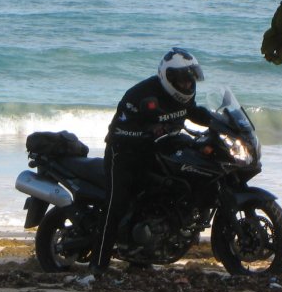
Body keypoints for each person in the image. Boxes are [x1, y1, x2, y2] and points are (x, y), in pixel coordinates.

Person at [90, 47, 212, 274]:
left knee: (166, 194)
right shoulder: (139, 96)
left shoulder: (184, 95)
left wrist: (219, 121)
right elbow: (117, 132)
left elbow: (191, 111)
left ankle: (141, 255)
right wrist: (148, 133)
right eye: (183, 80)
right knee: (116, 205)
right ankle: (98, 264)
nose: (188, 85)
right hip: (124, 153)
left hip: (156, 152)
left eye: (191, 80)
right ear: (169, 78)